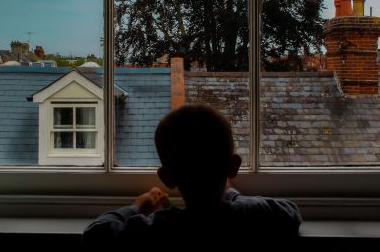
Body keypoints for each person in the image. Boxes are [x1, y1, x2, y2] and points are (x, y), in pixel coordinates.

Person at [82, 104, 302, 249]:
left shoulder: (158, 230)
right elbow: (290, 212)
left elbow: (95, 235)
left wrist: (137, 207)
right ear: (233, 167)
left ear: (167, 178)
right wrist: (230, 194)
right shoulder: (251, 215)